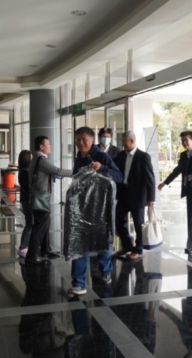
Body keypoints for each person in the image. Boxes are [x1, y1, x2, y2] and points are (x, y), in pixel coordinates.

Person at [68, 126, 123, 295]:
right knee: (79, 243)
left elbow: (119, 176)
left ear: (92, 140)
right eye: (78, 140)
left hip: (101, 209)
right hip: (81, 208)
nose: (81, 143)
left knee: (103, 242)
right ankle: (78, 283)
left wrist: (102, 168)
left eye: (84, 140)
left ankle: (106, 270)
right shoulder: (79, 157)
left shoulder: (101, 156)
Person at [24, 136, 73, 266]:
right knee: (40, 226)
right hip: (41, 199)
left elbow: (52, 174)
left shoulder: (37, 159)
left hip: (39, 197)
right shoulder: (42, 160)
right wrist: (76, 172)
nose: (50, 146)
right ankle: (32, 255)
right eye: (48, 144)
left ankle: (45, 250)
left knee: (44, 224)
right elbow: (58, 171)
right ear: (41, 147)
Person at [113, 131, 156, 260]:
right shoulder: (121, 155)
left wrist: (151, 198)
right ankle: (127, 244)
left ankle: (138, 248)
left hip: (138, 195)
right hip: (123, 193)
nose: (123, 145)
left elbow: (150, 178)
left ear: (131, 141)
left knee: (138, 223)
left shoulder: (143, 157)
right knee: (117, 217)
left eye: (124, 142)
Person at [158, 130, 192, 257]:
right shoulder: (183, 155)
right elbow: (177, 170)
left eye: (186, 140)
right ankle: (191, 244)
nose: (184, 143)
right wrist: (165, 182)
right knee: (191, 218)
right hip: (189, 190)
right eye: (183, 141)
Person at [16, 150, 33, 258]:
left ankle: (24, 246)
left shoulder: (22, 171)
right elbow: (29, 187)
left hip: (24, 199)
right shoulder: (26, 172)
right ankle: (23, 247)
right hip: (27, 200)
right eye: (31, 157)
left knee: (29, 222)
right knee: (30, 223)